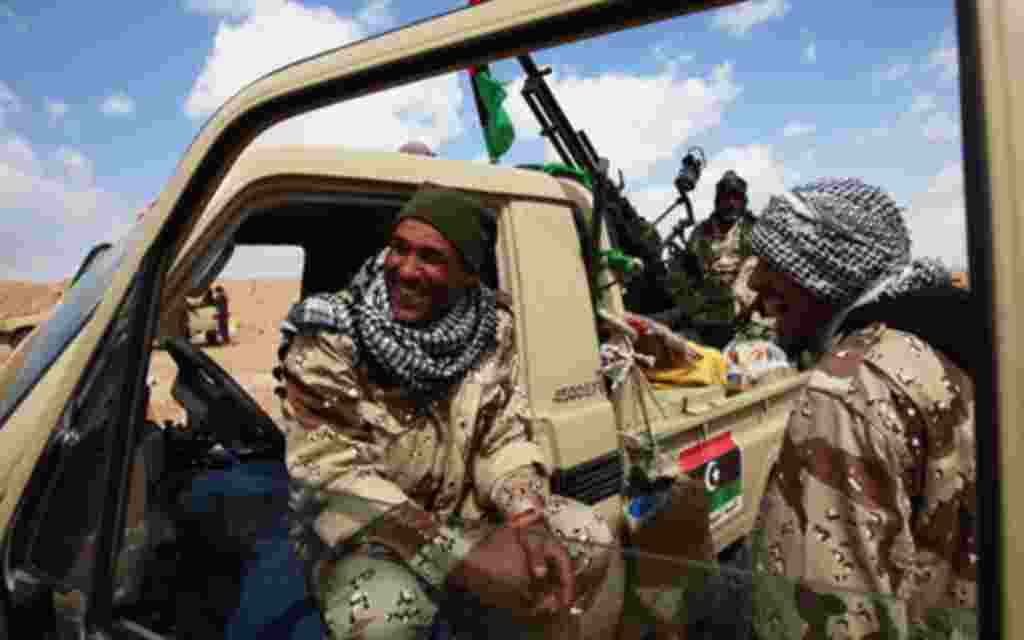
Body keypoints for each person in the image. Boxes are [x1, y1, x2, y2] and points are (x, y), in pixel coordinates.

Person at [275, 184, 616, 639]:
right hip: (368, 535)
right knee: (384, 620)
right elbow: (333, 475)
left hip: (461, 518)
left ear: (469, 276)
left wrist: (528, 518)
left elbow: (501, 437)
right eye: (398, 248)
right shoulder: (330, 334)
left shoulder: (490, 330)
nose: (406, 270)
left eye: (431, 257)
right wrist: (457, 558)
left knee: (586, 537)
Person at [746, 178, 976, 639]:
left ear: (819, 277)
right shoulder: (953, 341)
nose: (753, 285)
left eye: (772, 267)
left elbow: (825, 618)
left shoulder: (849, 389)